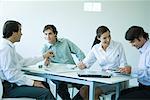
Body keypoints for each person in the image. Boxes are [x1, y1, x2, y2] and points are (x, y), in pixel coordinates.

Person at [0, 20, 55, 100]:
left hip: (13, 83)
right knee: (45, 92)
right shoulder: (5, 48)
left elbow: (23, 61)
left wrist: (43, 56)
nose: (21, 34)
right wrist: (33, 83)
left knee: (45, 84)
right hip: (9, 88)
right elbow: (11, 75)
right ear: (13, 32)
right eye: (20, 30)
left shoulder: (9, 47)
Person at [77, 26, 130, 100]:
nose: (108, 40)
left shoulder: (118, 46)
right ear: (98, 38)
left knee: (94, 92)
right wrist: (81, 65)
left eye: (109, 36)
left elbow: (123, 65)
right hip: (103, 79)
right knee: (83, 90)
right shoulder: (96, 48)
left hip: (116, 80)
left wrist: (122, 69)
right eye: (104, 38)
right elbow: (85, 63)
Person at [41, 24, 85, 100]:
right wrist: (46, 61)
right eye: (46, 34)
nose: (48, 37)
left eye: (50, 34)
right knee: (60, 85)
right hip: (56, 74)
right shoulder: (45, 47)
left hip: (71, 72)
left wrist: (82, 62)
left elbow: (78, 52)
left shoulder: (65, 42)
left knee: (85, 87)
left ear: (55, 34)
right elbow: (44, 64)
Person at [117, 26, 150, 100]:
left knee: (122, 98)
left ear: (141, 37)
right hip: (143, 86)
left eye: (133, 41)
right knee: (120, 94)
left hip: (148, 89)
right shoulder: (143, 50)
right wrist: (127, 71)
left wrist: (132, 70)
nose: (132, 45)